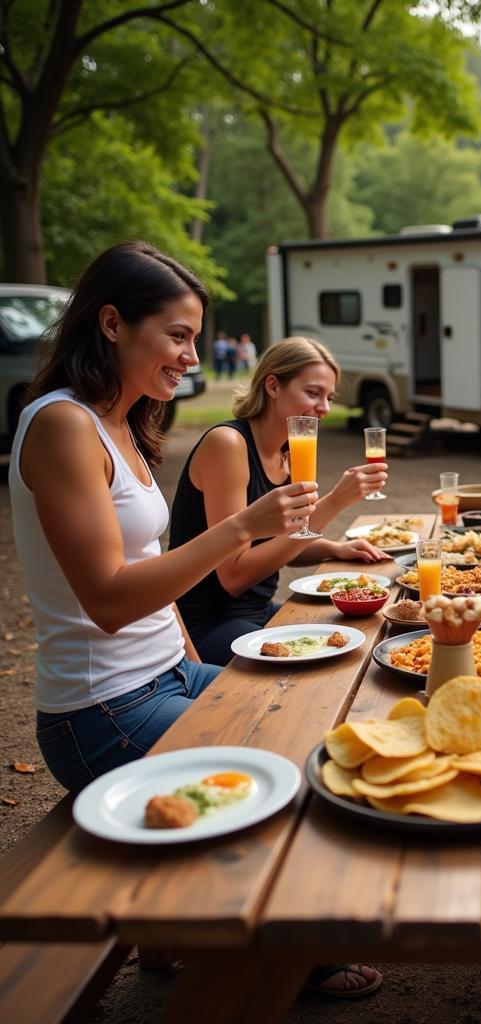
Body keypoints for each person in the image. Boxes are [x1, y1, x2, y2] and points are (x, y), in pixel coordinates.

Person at [9, 241, 317, 795]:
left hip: (169, 674)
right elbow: (108, 601)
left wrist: (193, 669)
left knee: (310, 716)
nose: (192, 358)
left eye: (194, 339)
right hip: (103, 710)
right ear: (112, 324)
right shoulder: (63, 425)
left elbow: (151, 562)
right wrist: (244, 525)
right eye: (178, 336)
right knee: (287, 773)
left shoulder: (123, 425)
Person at [169, 337, 390, 666]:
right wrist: (333, 504)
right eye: (312, 393)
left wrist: (332, 548)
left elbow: (278, 545)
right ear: (272, 386)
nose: (324, 408)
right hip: (211, 623)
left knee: (362, 633)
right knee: (317, 671)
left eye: (329, 397)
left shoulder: (287, 452)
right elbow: (234, 576)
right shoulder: (228, 444)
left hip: (258, 613)